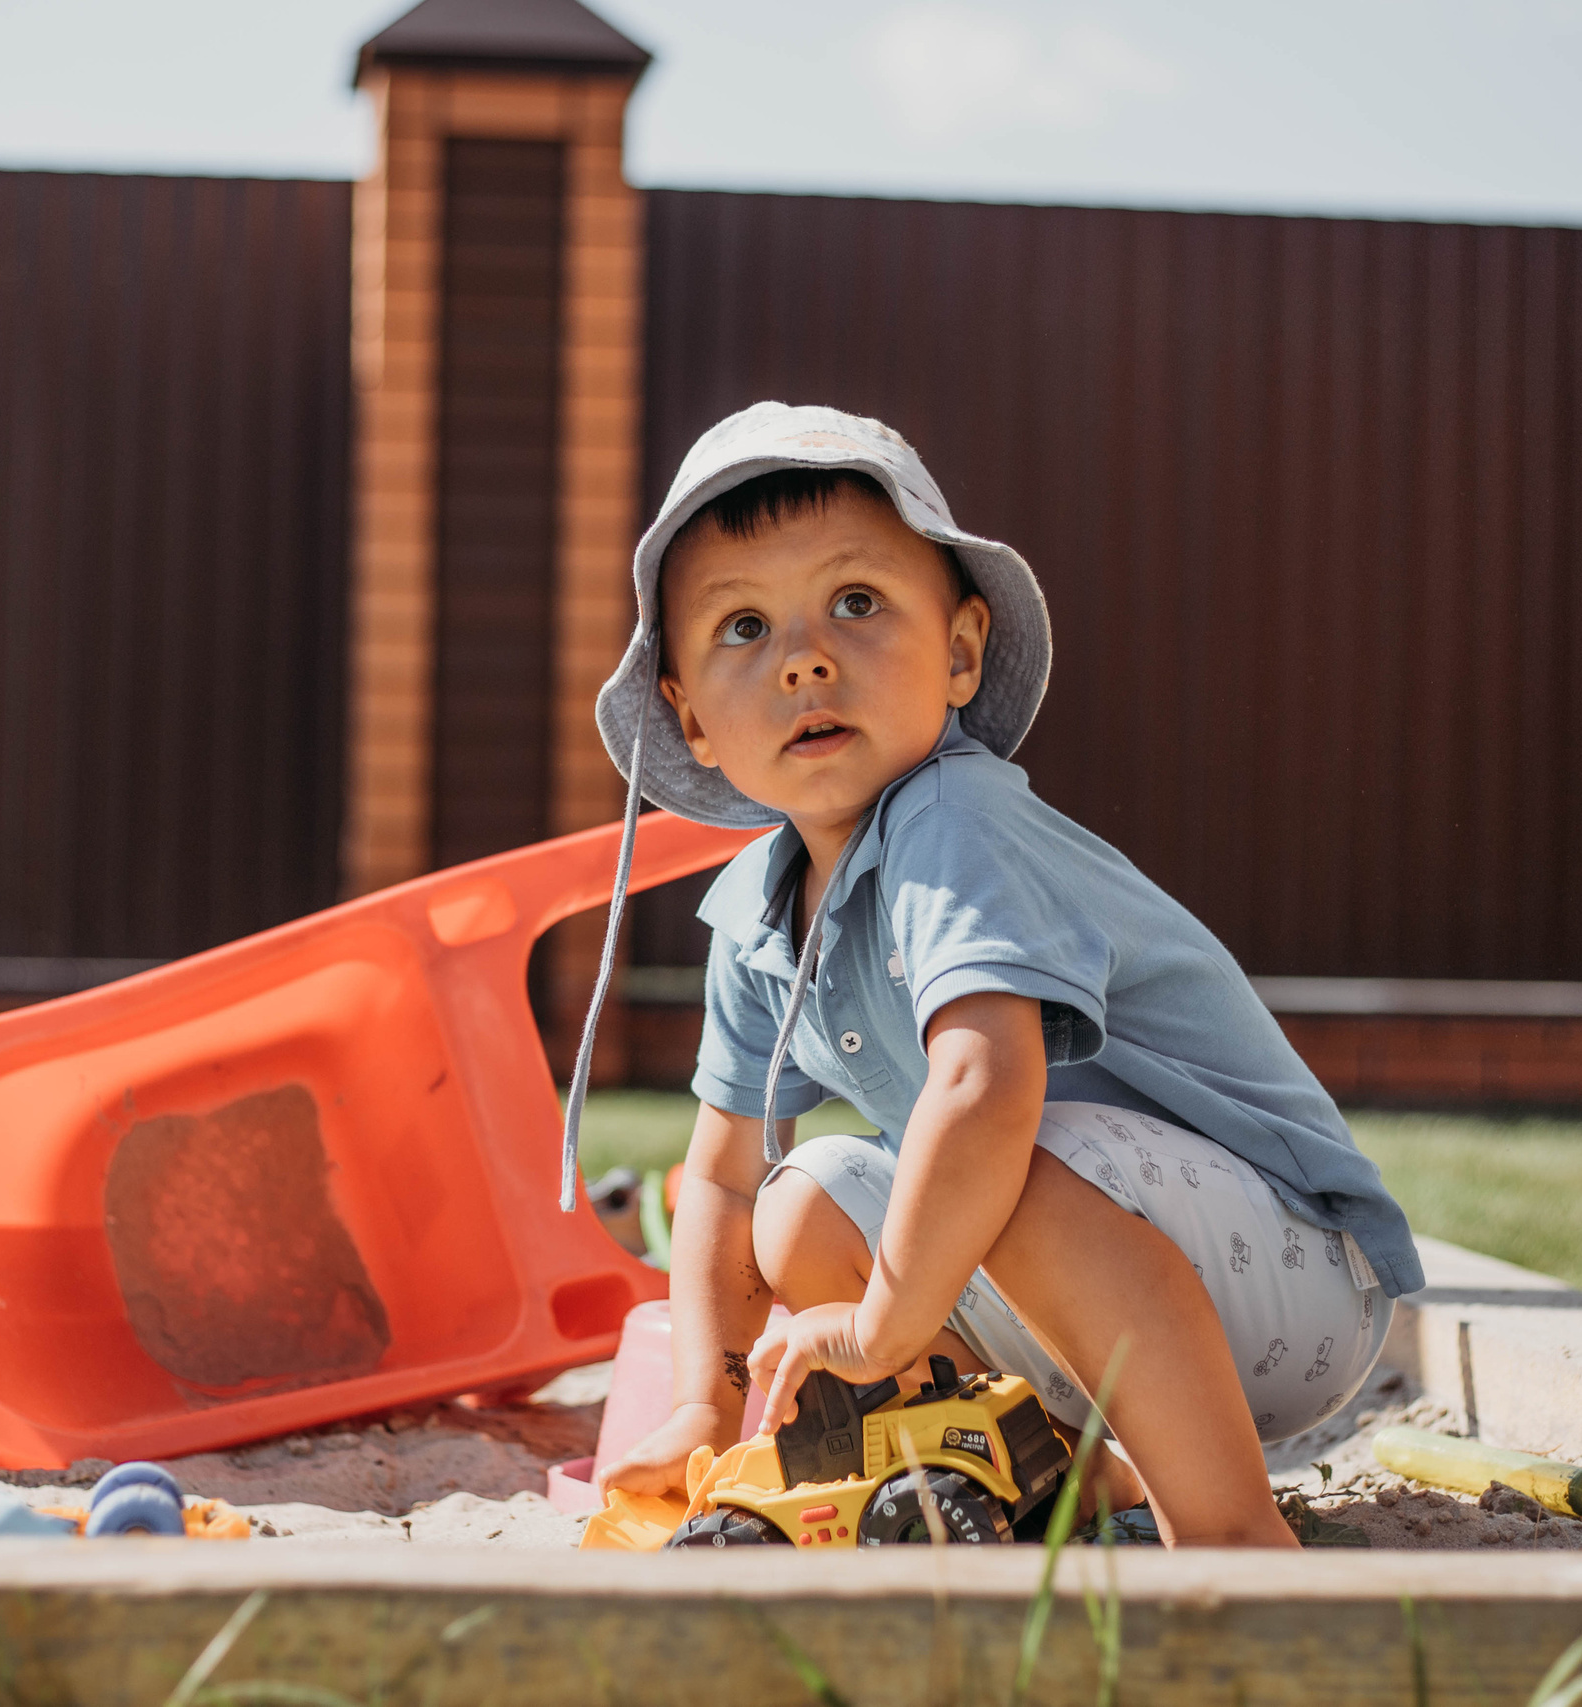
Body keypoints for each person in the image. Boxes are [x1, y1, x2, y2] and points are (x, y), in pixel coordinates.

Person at [560, 403, 1420, 1547]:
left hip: (1293, 1278)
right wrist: (698, 1410)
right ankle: (1059, 1472)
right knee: (797, 1201)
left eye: (855, 604)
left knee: (976, 1156)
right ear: (690, 719)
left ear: (960, 650)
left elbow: (983, 1090)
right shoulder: (759, 913)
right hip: (1101, 1276)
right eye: (742, 628)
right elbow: (715, 1184)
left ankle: (1229, 1534)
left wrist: (874, 1333)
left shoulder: (952, 819)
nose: (804, 657)